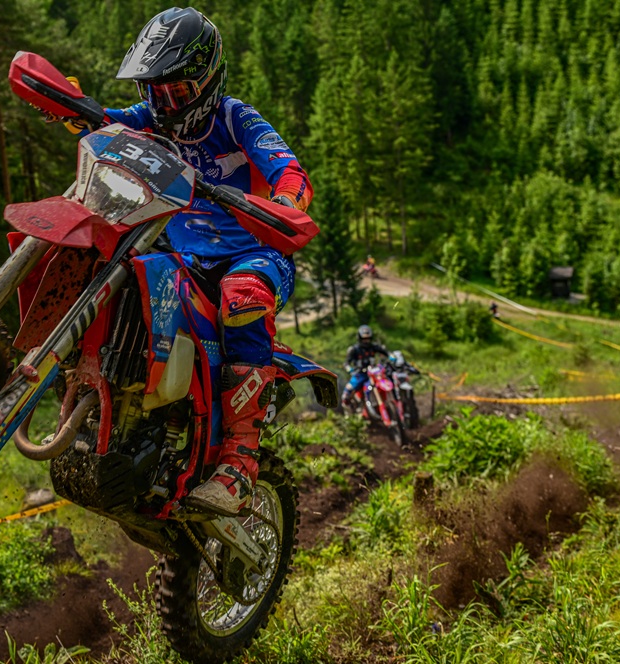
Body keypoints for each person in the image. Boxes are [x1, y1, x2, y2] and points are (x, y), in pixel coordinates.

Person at [81, 7, 313, 516]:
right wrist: (75, 107)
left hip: (252, 252)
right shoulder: (148, 117)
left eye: (177, 93)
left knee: (243, 297)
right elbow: (108, 126)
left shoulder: (237, 118)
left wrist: (285, 205)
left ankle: (239, 463)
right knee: (116, 264)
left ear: (209, 81)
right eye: (154, 91)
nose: (163, 105)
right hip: (180, 254)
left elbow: (289, 171)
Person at [341, 325, 390, 408]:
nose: (366, 341)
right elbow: (346, 363)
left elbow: (386, 353)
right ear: (360, 339)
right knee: (348, 392)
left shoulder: (374, 347)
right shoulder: (354, 349)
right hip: (360, 374)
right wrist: (350, 369)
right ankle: (349, 410)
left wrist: (391, 357)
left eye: (368, 339)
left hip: (374, 373)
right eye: (364, 339)